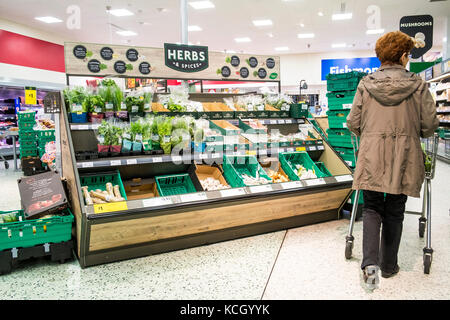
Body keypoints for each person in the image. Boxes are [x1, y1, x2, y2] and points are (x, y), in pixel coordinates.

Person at [346, 31, 439, 289]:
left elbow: (353, 122)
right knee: (395, 208)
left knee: (373, 207)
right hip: (404, 156)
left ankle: (370, 266)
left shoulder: (366, 84)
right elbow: (430, 125)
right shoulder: (418, 85)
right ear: (401, 55)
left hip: (372, 155)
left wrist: (372, 134)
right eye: (408, 54)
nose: (409, 59)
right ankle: (389, 266)